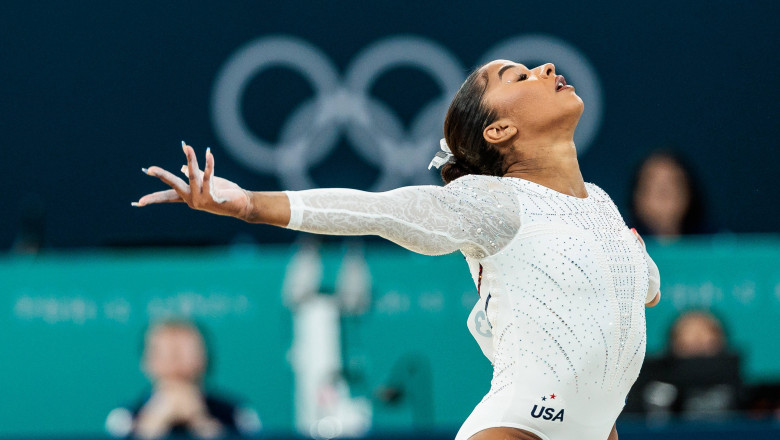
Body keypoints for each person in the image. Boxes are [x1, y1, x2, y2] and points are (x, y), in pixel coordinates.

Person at [134, 61, 661, 440]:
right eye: (518, 77)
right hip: (519, 429)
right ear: (499, 129)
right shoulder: (494, 202)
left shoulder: (604, 206)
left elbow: (635, 294)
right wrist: (250, 204)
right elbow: (380, 210)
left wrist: (638, 272)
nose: (545, 68)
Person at [105, 321, 261, 439]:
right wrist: (154, 422)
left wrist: (200, 421)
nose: (175, 360)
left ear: (205, 357)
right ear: (146, 361)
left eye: (185, 350)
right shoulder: (123, 418)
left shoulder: (238, 414)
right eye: (164, 352)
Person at [630, 150, 709, 240]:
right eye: (652, 185)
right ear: (636, 197)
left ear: (688, 195)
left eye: (672, 184)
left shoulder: (715, 246)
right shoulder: (619, 248)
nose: (663, 194)